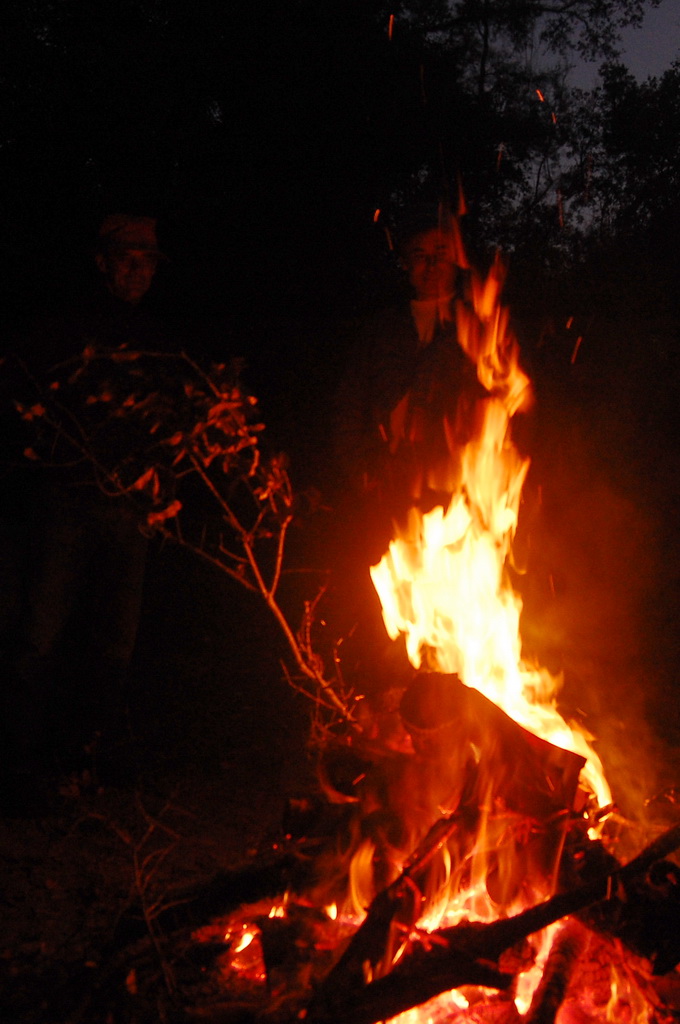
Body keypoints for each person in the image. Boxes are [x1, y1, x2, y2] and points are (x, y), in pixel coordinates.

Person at [4, 215, 168, 805]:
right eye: (127, 257)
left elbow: (167, 424)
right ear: (101, 261)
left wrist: (158, 485)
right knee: (40, 633)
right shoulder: (63, 329)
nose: (138, 269)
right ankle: (19, 765)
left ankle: (83, 760)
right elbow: (26, 399)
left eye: (148, 259)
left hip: (128, 510)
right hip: (65, 503)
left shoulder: (155, 337)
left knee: (113, 645)